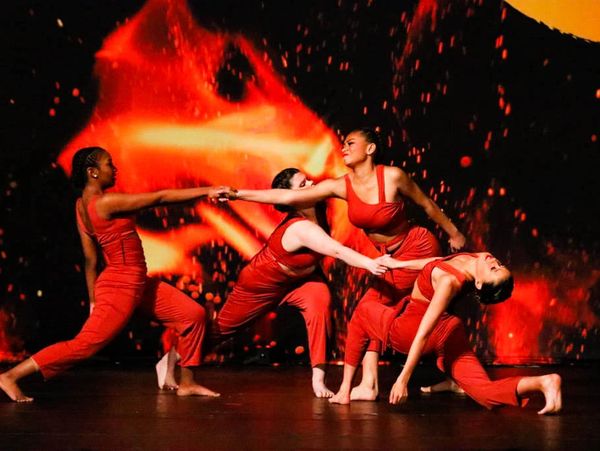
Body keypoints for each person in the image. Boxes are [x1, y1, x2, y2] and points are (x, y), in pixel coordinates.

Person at [222, 128, 466, 400]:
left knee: (371, 311)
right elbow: (286, 197)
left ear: (370, 149)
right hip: (388, 256)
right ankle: (383, 382)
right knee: (383, 310)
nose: (344, 148)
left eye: (351, 143)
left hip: (415, 246)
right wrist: (236, 194)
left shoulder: (393, 176)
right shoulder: (341, 185)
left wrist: (454, 233)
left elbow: (427, 205)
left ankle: (372, 384)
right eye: (344, 144)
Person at [0, 147, 220, 402]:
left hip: (135, 282)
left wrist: (94, 301)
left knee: (193, 315)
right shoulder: (105, 203)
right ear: (92, 172)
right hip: (121, 286)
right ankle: (10, 376)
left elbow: (91, 260)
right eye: (108, 164)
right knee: (84, 346)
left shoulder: (80, 205)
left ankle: (187, 382)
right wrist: (208, 191)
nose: (114, 169)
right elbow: (160, 197)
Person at [209, 168, 388, 398]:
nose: (312, 183)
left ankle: (318, 379)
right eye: (303, 184)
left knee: (321, 300)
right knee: (222, 330)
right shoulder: (299, 227)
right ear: (291, 198)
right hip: (262, 283)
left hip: (302, 280)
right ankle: (176, 355)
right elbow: (336, 250)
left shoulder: (320, 205)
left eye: (308, 179)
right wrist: (370, 264)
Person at [329, 252, 562, 415]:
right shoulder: (482, 257)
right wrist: (398, 265)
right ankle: (544, 382)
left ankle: (344, 390)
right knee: (483, 392)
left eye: (494, 268)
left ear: (479, 283)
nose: (495, 262)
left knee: (362, 312)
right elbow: (437, 261)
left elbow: (423, 332)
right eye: (500, 265)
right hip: (451, 331)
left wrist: (403, 379)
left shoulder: (450, 282)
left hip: (410, 331)